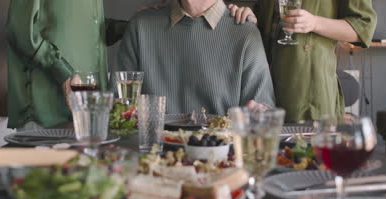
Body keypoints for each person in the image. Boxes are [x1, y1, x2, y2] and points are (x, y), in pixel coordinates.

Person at [115, 0, 275, 115]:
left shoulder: (245, 32)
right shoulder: (140, 26)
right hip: (152, 155)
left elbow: (262, 110)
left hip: (220, 156)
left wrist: (258, 113)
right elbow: (119, 109)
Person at [228, 1, 377, 121]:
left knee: (304, 156)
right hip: (261, 88)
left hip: (307, 91)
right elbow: (264, 16)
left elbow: (364, 27)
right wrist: (250, 16)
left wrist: (314, 23)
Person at [6, 0, 128, 130]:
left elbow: (89, 29)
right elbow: (20, 30)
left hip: (90, 112)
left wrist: (137, 24)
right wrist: (63, 73)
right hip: (44, 115)